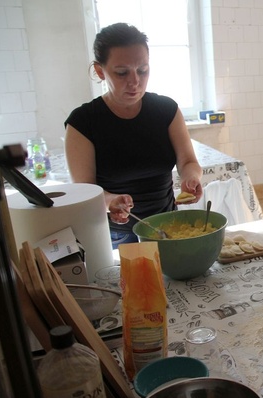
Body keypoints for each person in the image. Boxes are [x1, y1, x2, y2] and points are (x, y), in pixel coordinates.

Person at [64, 23, 203, 248]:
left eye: (143, 70)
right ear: (100, 71)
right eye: (122, 73)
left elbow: (188, 162)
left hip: (168, 225)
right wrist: (110, 202)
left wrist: (192, 178)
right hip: (116, 235)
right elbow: (86, 191)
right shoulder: (83, 122)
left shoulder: (166, 110)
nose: (135, 81)